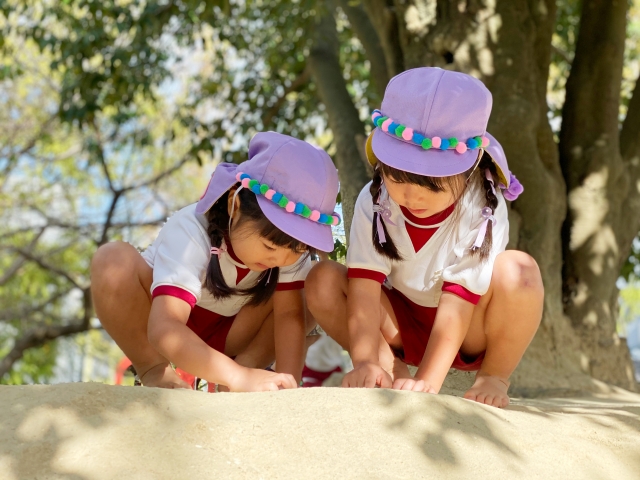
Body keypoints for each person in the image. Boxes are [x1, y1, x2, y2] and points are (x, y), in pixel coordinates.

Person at [306, 67, 543, 408]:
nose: (411, 197)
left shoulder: (483, 207)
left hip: (467, 329)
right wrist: (365, 361)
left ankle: (494, 376)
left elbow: (459, 302)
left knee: (521, 271)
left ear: (471, 166)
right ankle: (388, 368)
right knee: (323, 279)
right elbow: (363, 286)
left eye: (431, 185)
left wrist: (428, 382)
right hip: (397, 326)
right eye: (397, 177)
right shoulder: (374, 201)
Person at [91, 132, 340, 392]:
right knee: (112, 260)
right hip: (161, 322)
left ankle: (243, 372)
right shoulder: (191, 230)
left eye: (297, 250)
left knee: (310, 292)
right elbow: (165, 327)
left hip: (231, 333)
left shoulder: (287, 249)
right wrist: (237, 376)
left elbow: (289, 316)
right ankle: (155, 370)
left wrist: (288, 382)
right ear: (235, 204)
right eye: (269, 246)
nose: (280, 258)